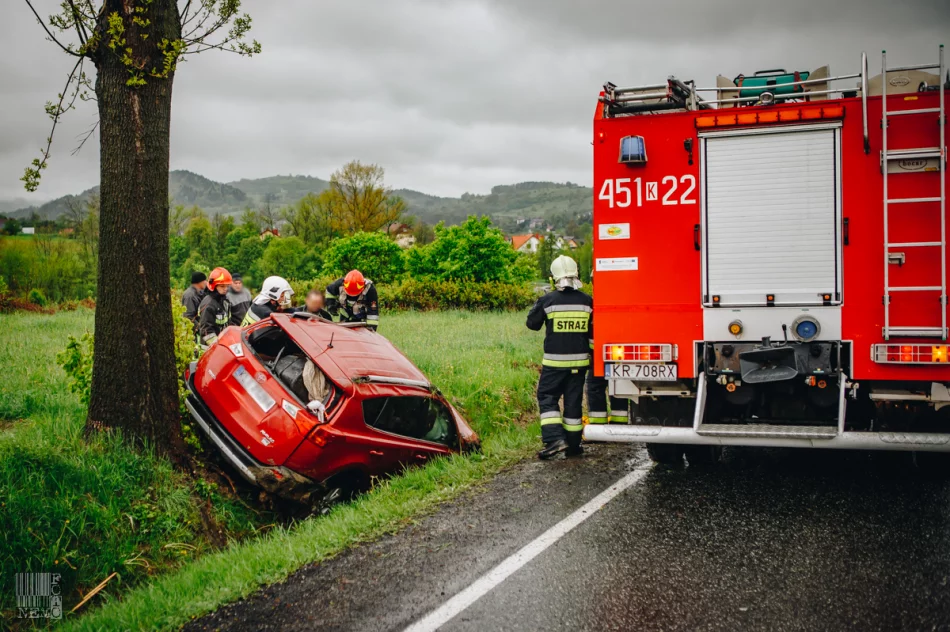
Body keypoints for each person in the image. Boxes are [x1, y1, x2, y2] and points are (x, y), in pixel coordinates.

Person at [526, 255, 593, 459]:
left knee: (547, 397)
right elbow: (593, 333)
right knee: (573, 402)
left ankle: (554, 440)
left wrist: (539, 303)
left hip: (555, 363)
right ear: (576, 275)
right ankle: (574, 445)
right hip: (580, 363)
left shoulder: (548, 301)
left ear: (554, 277)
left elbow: (532, 324)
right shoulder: (588, 301)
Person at [197, 267, 232, 349]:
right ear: (214, 286)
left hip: (222, 345)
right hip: (209, 349)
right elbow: (206, 331)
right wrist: (218, 347)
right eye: (222, 286)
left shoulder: (224, 301)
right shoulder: (208, 304)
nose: (225, 289)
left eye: (227, 286)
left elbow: (228, 323)